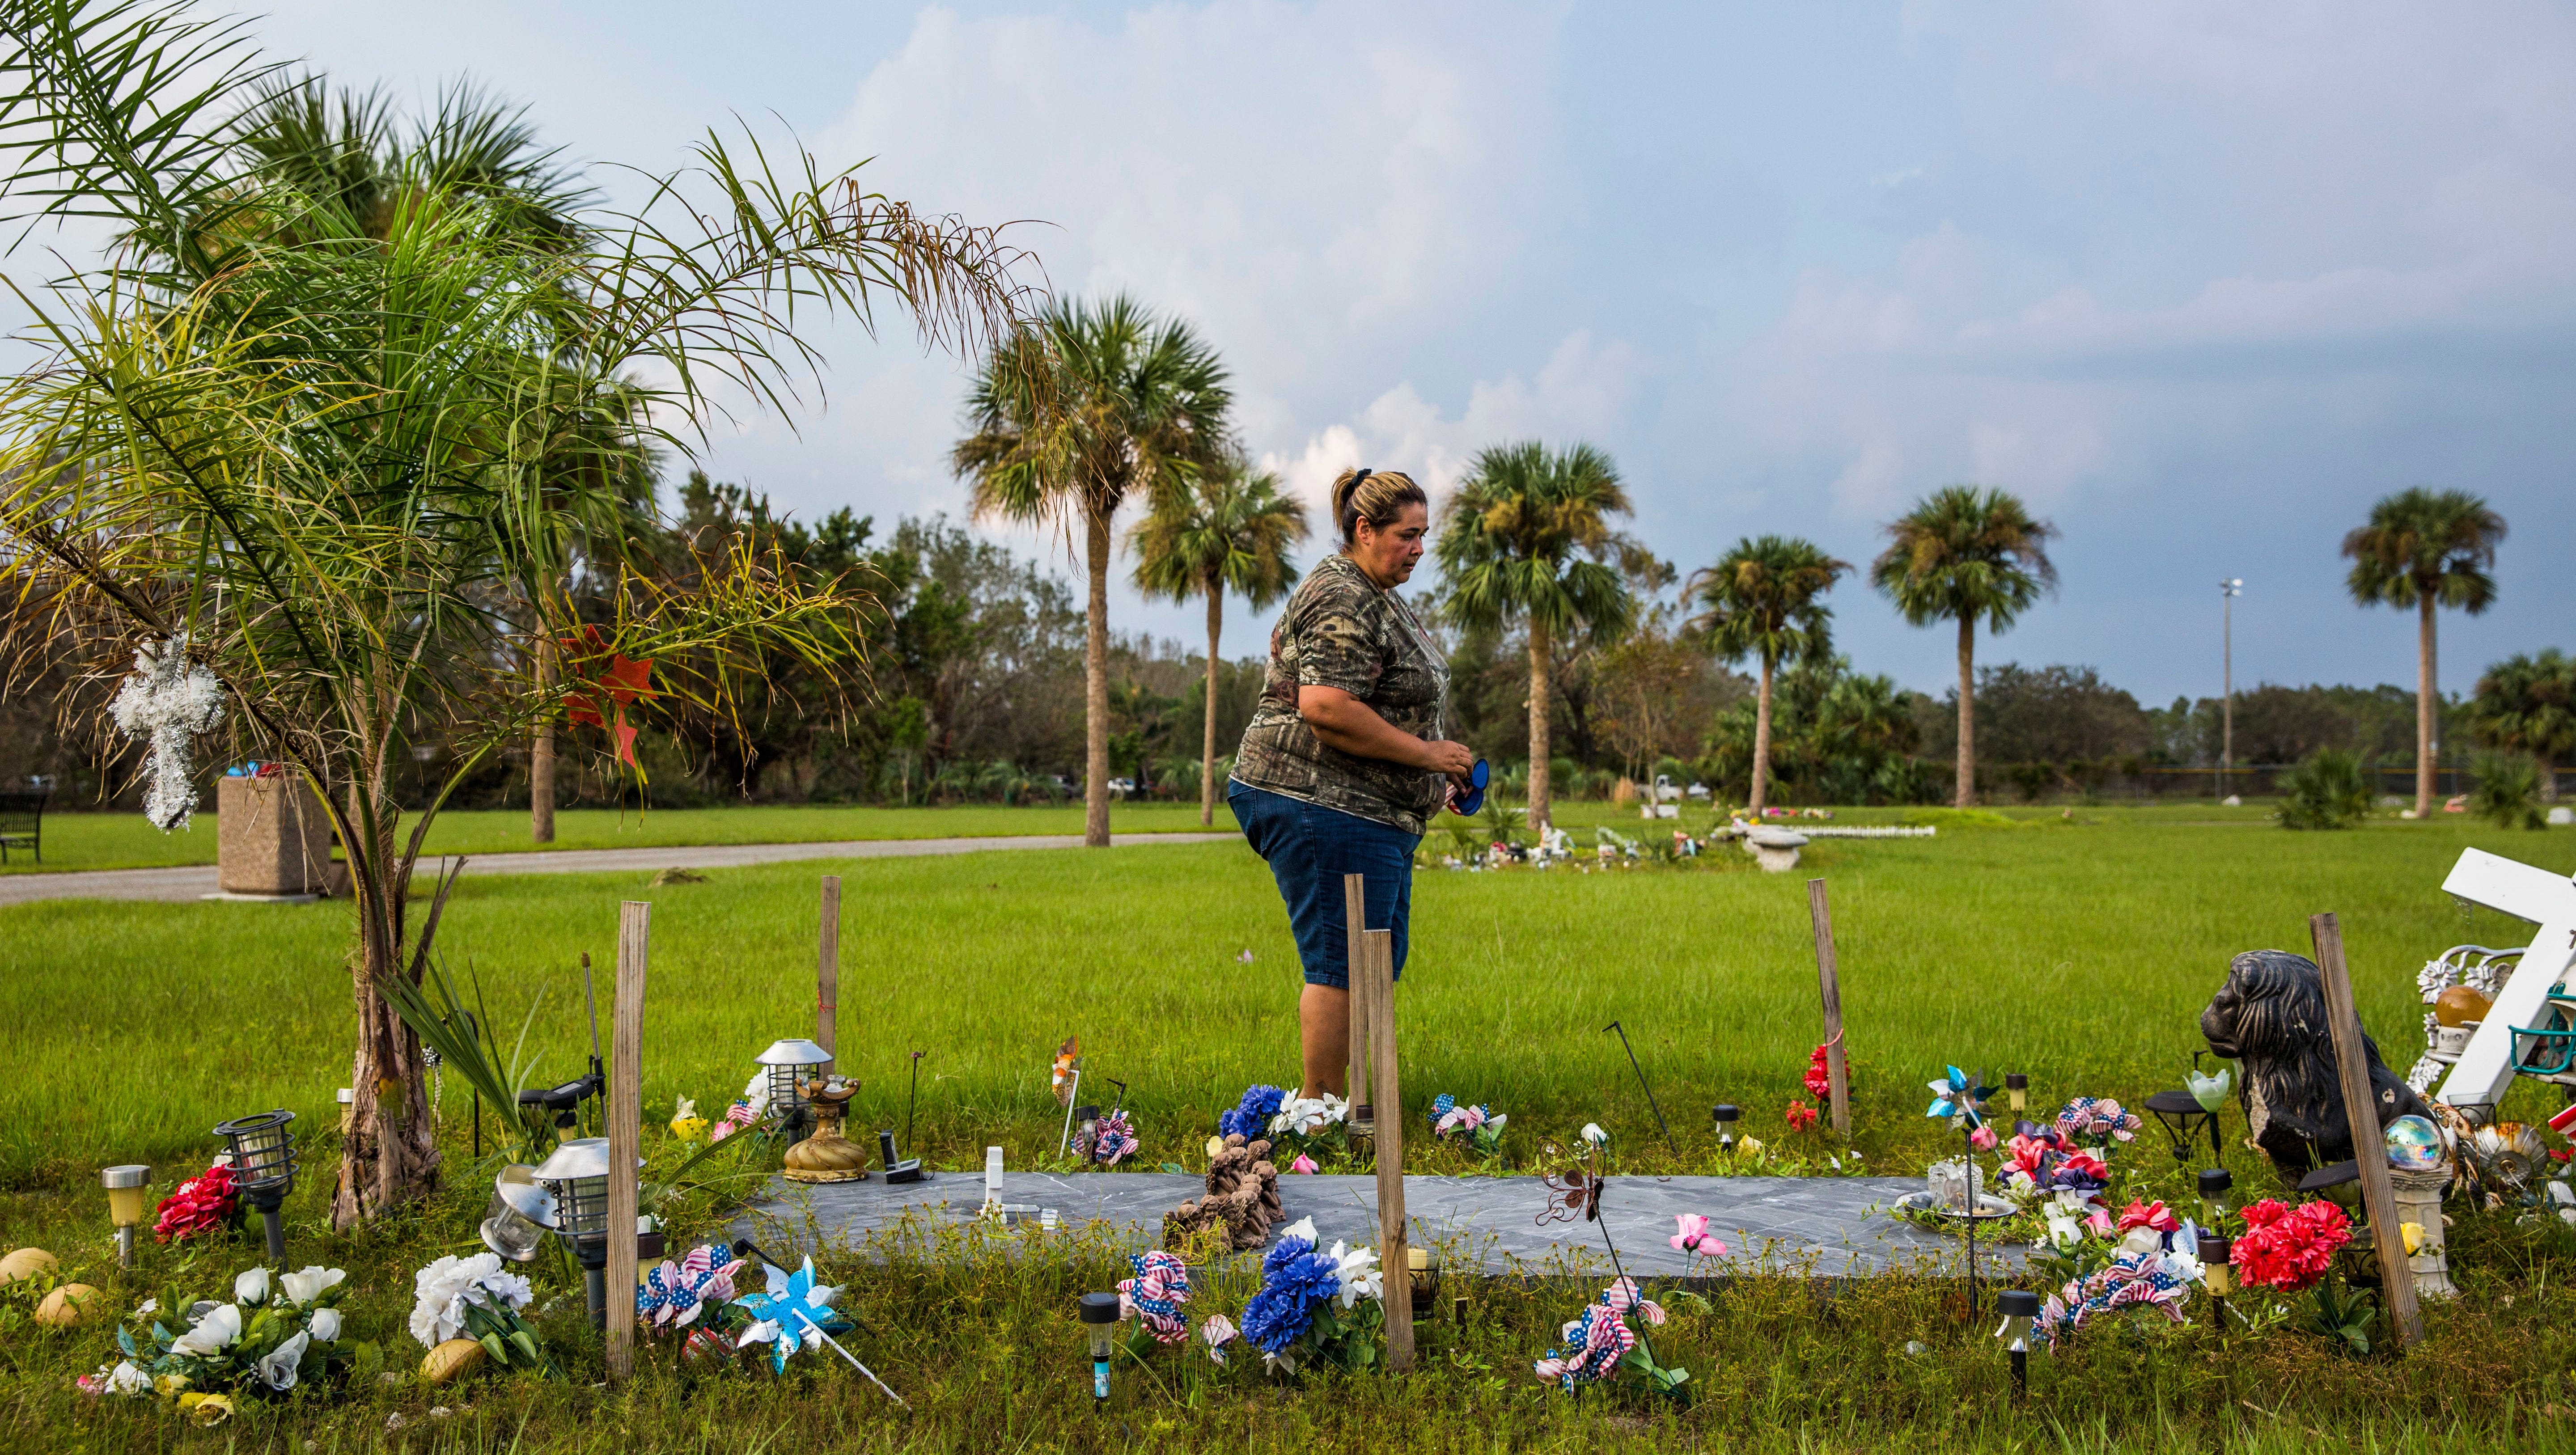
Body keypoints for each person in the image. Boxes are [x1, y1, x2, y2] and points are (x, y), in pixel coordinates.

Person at [1228, 466, 1476, 1104]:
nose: (1418, 549)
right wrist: (1427, 753)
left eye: (1423, 535)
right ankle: (1319, 1113)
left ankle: (1361, 1109)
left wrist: (1433, 778)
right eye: (1406, 535)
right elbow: (1327, 707)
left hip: (1368, 807)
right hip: (1318, 800)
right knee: (1341, 965)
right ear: (1364, 529)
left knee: (1375, 962)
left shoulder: (1378, 593)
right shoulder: (1342, 594)